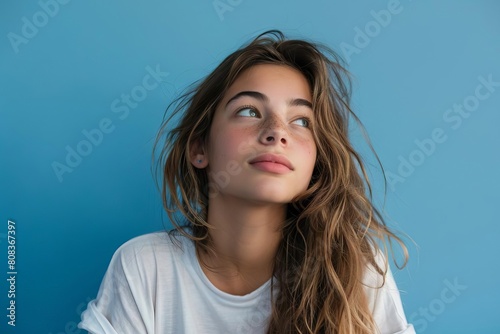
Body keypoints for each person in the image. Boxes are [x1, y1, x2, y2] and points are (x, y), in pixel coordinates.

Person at [79, 30, 415, 334]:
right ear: (199, 147)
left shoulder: (354, 268)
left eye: (301, 121)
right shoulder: (145, 266)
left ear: (316, 161)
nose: (276, 133)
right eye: (249, 111)